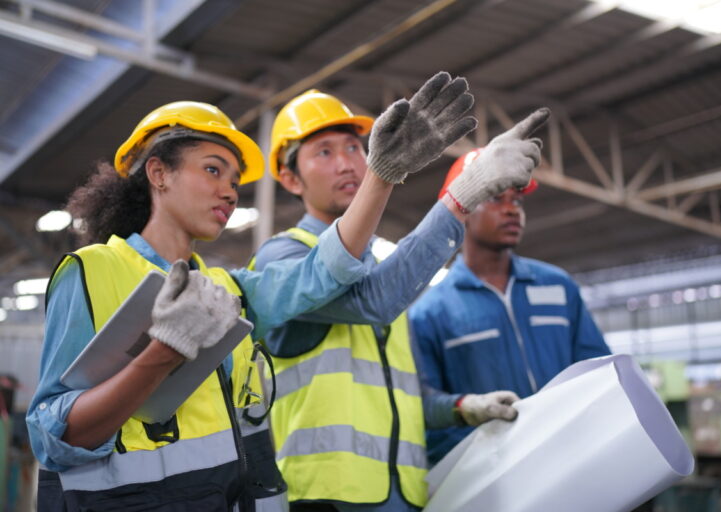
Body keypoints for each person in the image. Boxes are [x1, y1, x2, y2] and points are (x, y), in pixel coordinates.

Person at [25, 76, 472, 512]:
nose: (229, 192)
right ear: (158, 173)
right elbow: (51, 435)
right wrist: (162, 353)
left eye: (235, 181)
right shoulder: (93, 271)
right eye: (213, 170)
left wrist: (382, 175)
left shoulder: (227, 291)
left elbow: (321, 273)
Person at [253, 73, 549, 511]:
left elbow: (402, 398)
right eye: (324, 152)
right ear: (290, 179)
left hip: (406, 496)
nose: (347, 163)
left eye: (354, 146)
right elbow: (373, 300)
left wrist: (464, 407)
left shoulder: (385, 265)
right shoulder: (283, 258)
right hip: (325, 497)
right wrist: (461, 196)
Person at [409, 146, 612, 466]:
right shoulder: (430, 314)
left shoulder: (558, 287)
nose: (512, 210)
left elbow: (598, 372)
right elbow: (429, 416)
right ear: (461, 209)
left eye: (517, 201)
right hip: (494, 476)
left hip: (574, 458)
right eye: (496, 199)